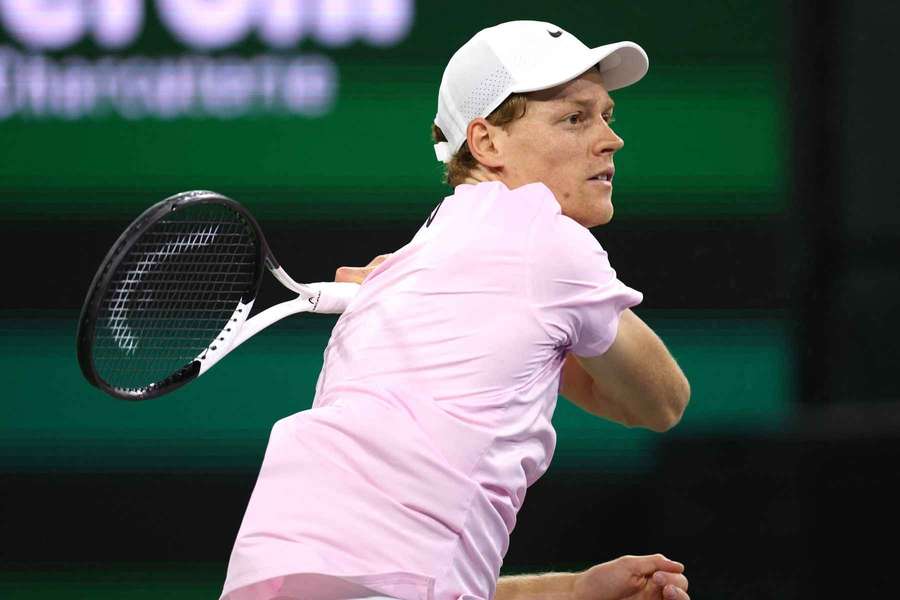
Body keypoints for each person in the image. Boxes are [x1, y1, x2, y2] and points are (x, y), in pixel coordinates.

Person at [220, 20, 691, 600]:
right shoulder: (541, 237)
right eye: (574, 117)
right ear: (487, 142)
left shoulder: (406, 269)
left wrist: (572, 591)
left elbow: (410, 576)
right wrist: (561, 328)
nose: (609, 139)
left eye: (606, 117)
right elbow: (660, 400)